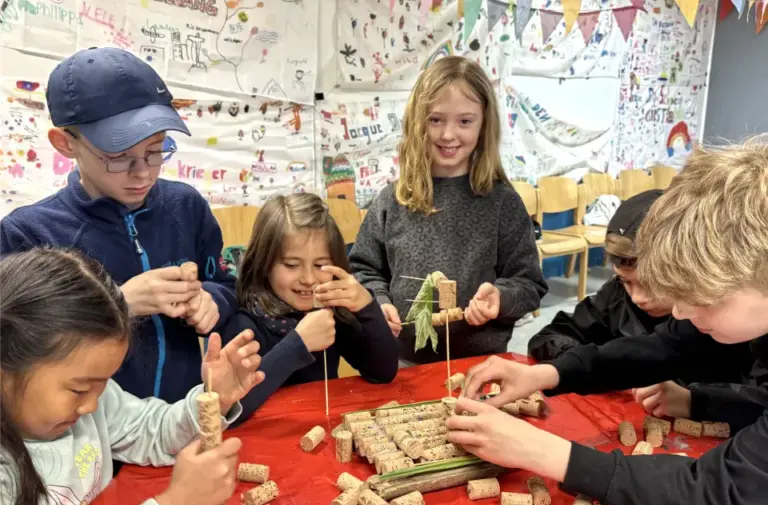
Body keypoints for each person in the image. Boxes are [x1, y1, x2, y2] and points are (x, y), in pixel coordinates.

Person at [447, 140, 768, 505]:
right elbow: (662, 348)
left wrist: (545, 452)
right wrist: (544, 375)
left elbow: (721, 493)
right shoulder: (743, 304)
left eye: (701, 298)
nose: (679, 312)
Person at [0, 47, 237, 403]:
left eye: (155, 150)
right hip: (81, 427)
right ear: (65, 143)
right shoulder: (27, 234)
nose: (142, 173)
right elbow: (15, 344)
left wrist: (211, 301)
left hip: (181, 415)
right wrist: (117, 303)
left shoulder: (186, 207)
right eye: (119, 157)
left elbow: (226, 285)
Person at [0, 248, 264, 505]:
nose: (92, 405)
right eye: (79, 389)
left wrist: (213, 400)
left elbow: (149, 430)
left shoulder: (89, 402)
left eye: (103, 384)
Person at [349, 56, 547, 364]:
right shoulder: (392, 200)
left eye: (465, 121)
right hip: (404, 361)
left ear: (483, 125)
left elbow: (529, 283)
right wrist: (378, 302)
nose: (448, 135)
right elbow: (364, 269)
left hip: (480, 361)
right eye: (435, 120)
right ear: (417, 122)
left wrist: (501, 297)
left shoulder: (503, 203)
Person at [221, 194, 398, 423]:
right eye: (292, 265)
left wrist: (367, 307)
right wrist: (299, 344)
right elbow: (231, 410)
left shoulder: (329, 311)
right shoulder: (243, 323)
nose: (308, 279)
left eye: (320, 265)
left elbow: (382, 372)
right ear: (264, 264)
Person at [528, 190, 670, 362]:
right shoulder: (616, 295)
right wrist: (583, 362)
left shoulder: (699, 321)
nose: (637, 298)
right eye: (626, 281)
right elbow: (552, 336)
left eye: (650, 283)